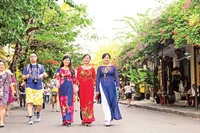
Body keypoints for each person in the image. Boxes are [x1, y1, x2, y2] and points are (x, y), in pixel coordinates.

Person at [96, 53, 122, 127]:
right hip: (102, 86)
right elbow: (97, 79)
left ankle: (111, 116)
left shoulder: (113, 67)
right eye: (105, 58)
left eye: (107, 58)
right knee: (105, 102)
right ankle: (107, 119)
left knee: (111, 101)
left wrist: (117, 85)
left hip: (111, 86)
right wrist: (97, 89)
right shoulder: (100, 68)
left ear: (109, 58)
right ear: (103, 59)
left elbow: (116, 77)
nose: (106, 59)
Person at [22, 53, 47, 125]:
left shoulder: (40, 66)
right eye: (31, 57)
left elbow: (45, 75)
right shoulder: (26, 67)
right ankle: (30, 118)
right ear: (29, 58)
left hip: (38, 87)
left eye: (34, 56)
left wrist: (42, 75)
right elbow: (23, 77)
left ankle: (38, 112)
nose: (32, 58)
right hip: (29, 86)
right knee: (29, 102)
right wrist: (26, 76)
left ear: (36, 58)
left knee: (39, 104)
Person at [56, 55, 75, 126]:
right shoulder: (59, 69)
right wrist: (57, 82)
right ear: (63, 61)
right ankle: (64, 119)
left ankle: (68, 119)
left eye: (68, 60)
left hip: (69, 86)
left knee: (69, 102)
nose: (67, 61)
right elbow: (57, 77)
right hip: (62, 87)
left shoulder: (72, 70)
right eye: (65, 60)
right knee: (63, 102)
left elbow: (74, 79)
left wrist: (75, 88)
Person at [76, 54, 96, 127]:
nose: (86, 59)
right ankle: (84, 119)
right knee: (83, 103)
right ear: (83, 59)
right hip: (82, 87)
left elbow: (94, 79)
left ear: (89, 60)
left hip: (90, 87)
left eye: (88, 58)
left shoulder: (92, 68)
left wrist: (95, 88)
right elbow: (77, 78)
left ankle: (89, 119)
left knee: (90, 103)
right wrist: (75, 87)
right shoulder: (79, 68)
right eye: (85, 58)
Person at [0, 60, 12, 127]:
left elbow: (10, 83)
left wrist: (13, 92)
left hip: (4, 92)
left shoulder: (7, 74)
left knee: (2, 106)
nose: (1, 66)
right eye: (0, 65)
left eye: (2, 65)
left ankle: (1, 121)